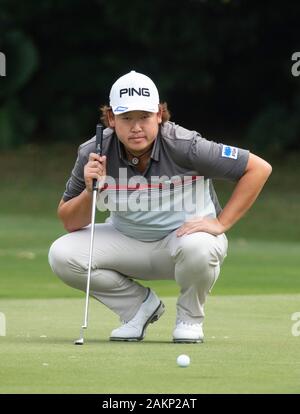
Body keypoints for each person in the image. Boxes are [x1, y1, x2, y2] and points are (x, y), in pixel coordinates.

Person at [48, 70, 272, 343]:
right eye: (126, 118)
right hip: (127, 243)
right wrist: (91, 189)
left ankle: (189, 320)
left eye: (143, 117)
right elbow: (70, 221)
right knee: (62, 253)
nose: (136, 127)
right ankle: (138, 308)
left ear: (158, 114)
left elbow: (258, 168)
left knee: (199, 246)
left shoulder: (185, 146)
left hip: (182, 244)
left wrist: (221, 223)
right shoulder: (93, 152)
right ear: (111, 119)